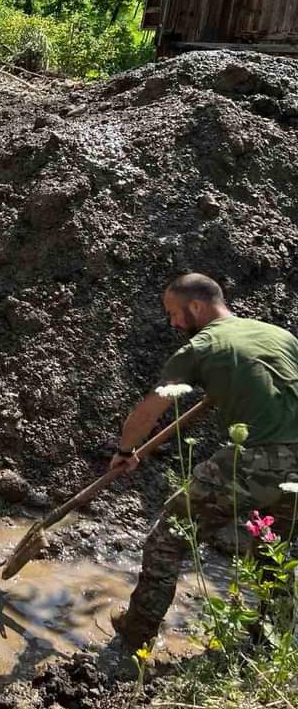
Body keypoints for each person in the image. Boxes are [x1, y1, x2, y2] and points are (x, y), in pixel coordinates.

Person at [110, 273, 298, 649]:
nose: (173, 323)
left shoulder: (202, 345)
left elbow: (150, 410)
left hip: (258, 457)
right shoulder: (280, 335)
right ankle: (272, 641)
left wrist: (125, 452)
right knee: (271, 545)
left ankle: (135, 636)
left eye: (174, 313)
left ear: (195, 306)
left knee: (169, 537)